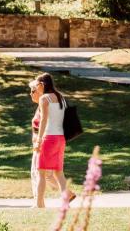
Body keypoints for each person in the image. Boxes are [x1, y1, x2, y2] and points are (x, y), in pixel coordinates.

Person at [30, 73, 75, 208]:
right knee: (58, 172)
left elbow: (43, 120)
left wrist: (38, 140)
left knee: (41, 172)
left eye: (37, 85)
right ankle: (66, 202)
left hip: (48, 138)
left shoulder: (44, 98)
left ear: (42, 85)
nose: (36, 88)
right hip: (60, 138)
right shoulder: (60, 97)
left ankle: (39, 205)